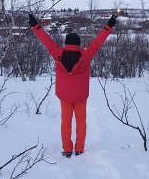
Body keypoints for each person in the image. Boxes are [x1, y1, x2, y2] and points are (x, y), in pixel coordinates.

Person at [28, 14, 117, 158]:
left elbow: (46, 41)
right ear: (79, 44)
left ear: (66, 43)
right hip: (80, 96)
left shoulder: (58, 53)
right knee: (81, 122)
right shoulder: (85, 55)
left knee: (66, 122)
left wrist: (35, 25)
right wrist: (108, 26)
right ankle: (80, 149)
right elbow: (97, 43)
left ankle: (67, 149)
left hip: (65, 96)